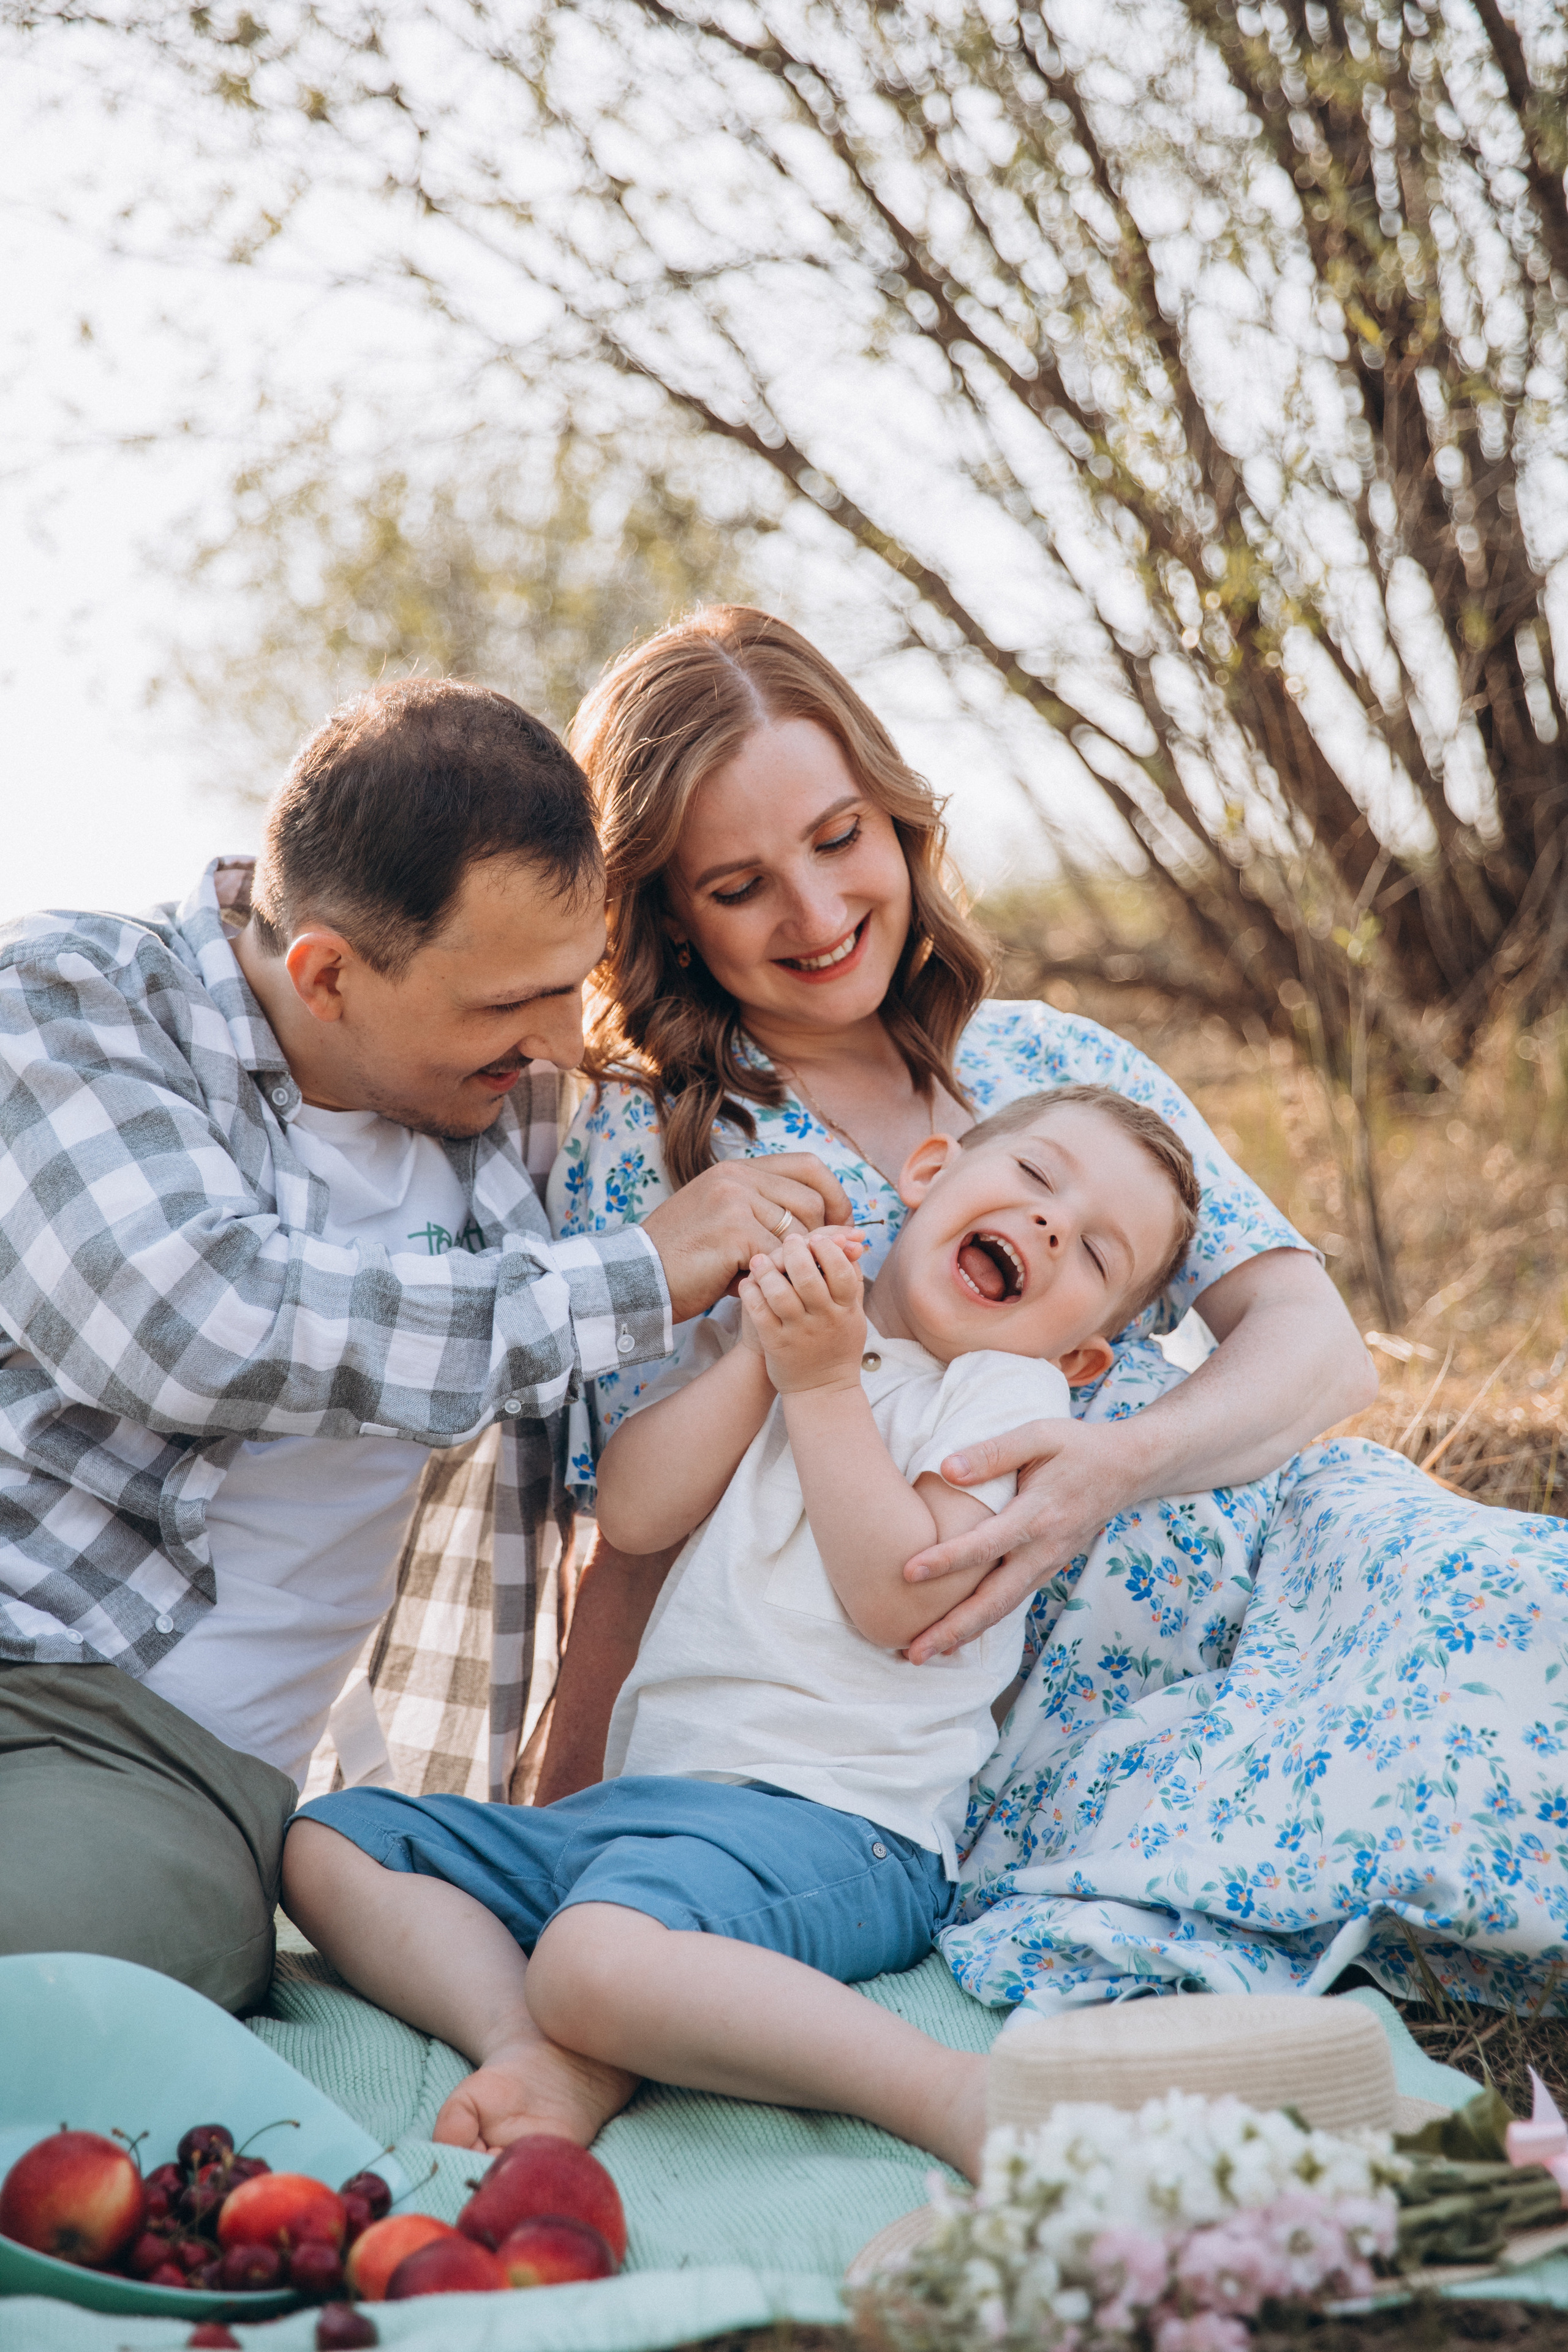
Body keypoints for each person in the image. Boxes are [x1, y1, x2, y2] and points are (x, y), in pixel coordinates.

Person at [540, 605, 1568, 2017]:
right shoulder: (661, 1149)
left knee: (1520, 1609)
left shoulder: (1051, 1061)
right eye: (739, 884)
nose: (817, 912)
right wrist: (562, 1843)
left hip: (1283, 1560)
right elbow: (633, 1539)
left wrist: (1110, 1469)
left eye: (840, 839)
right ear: (663, 913)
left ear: (897, 822)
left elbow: (1317, 1350)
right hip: (1041, 1731)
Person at [0, 676, 852, 2012]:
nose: (563, 1042)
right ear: (326, 973)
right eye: (513, 1002)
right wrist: (631, 1277)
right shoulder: (66, 1004)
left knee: (94, 1960)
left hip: (163, 1768)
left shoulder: (509, 1107)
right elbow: (196, 1322)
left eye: (571, 990)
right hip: (37, 1653)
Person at [282, 1085, 1199, 2171]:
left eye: (1095, 1253)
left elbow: (899, 1592)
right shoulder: (787, 1335)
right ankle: (536, 2048)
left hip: (841, 1825)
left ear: (1084, 1357)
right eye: (1038, 1180)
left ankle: (949, 2092)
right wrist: (773, 1354)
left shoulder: (1004, 1399)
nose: (1052, 1224)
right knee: (332, 1843)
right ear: (929, 1173)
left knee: (593, 1959)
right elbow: (633, 1511)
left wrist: (819, 1385)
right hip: (650, 1813)